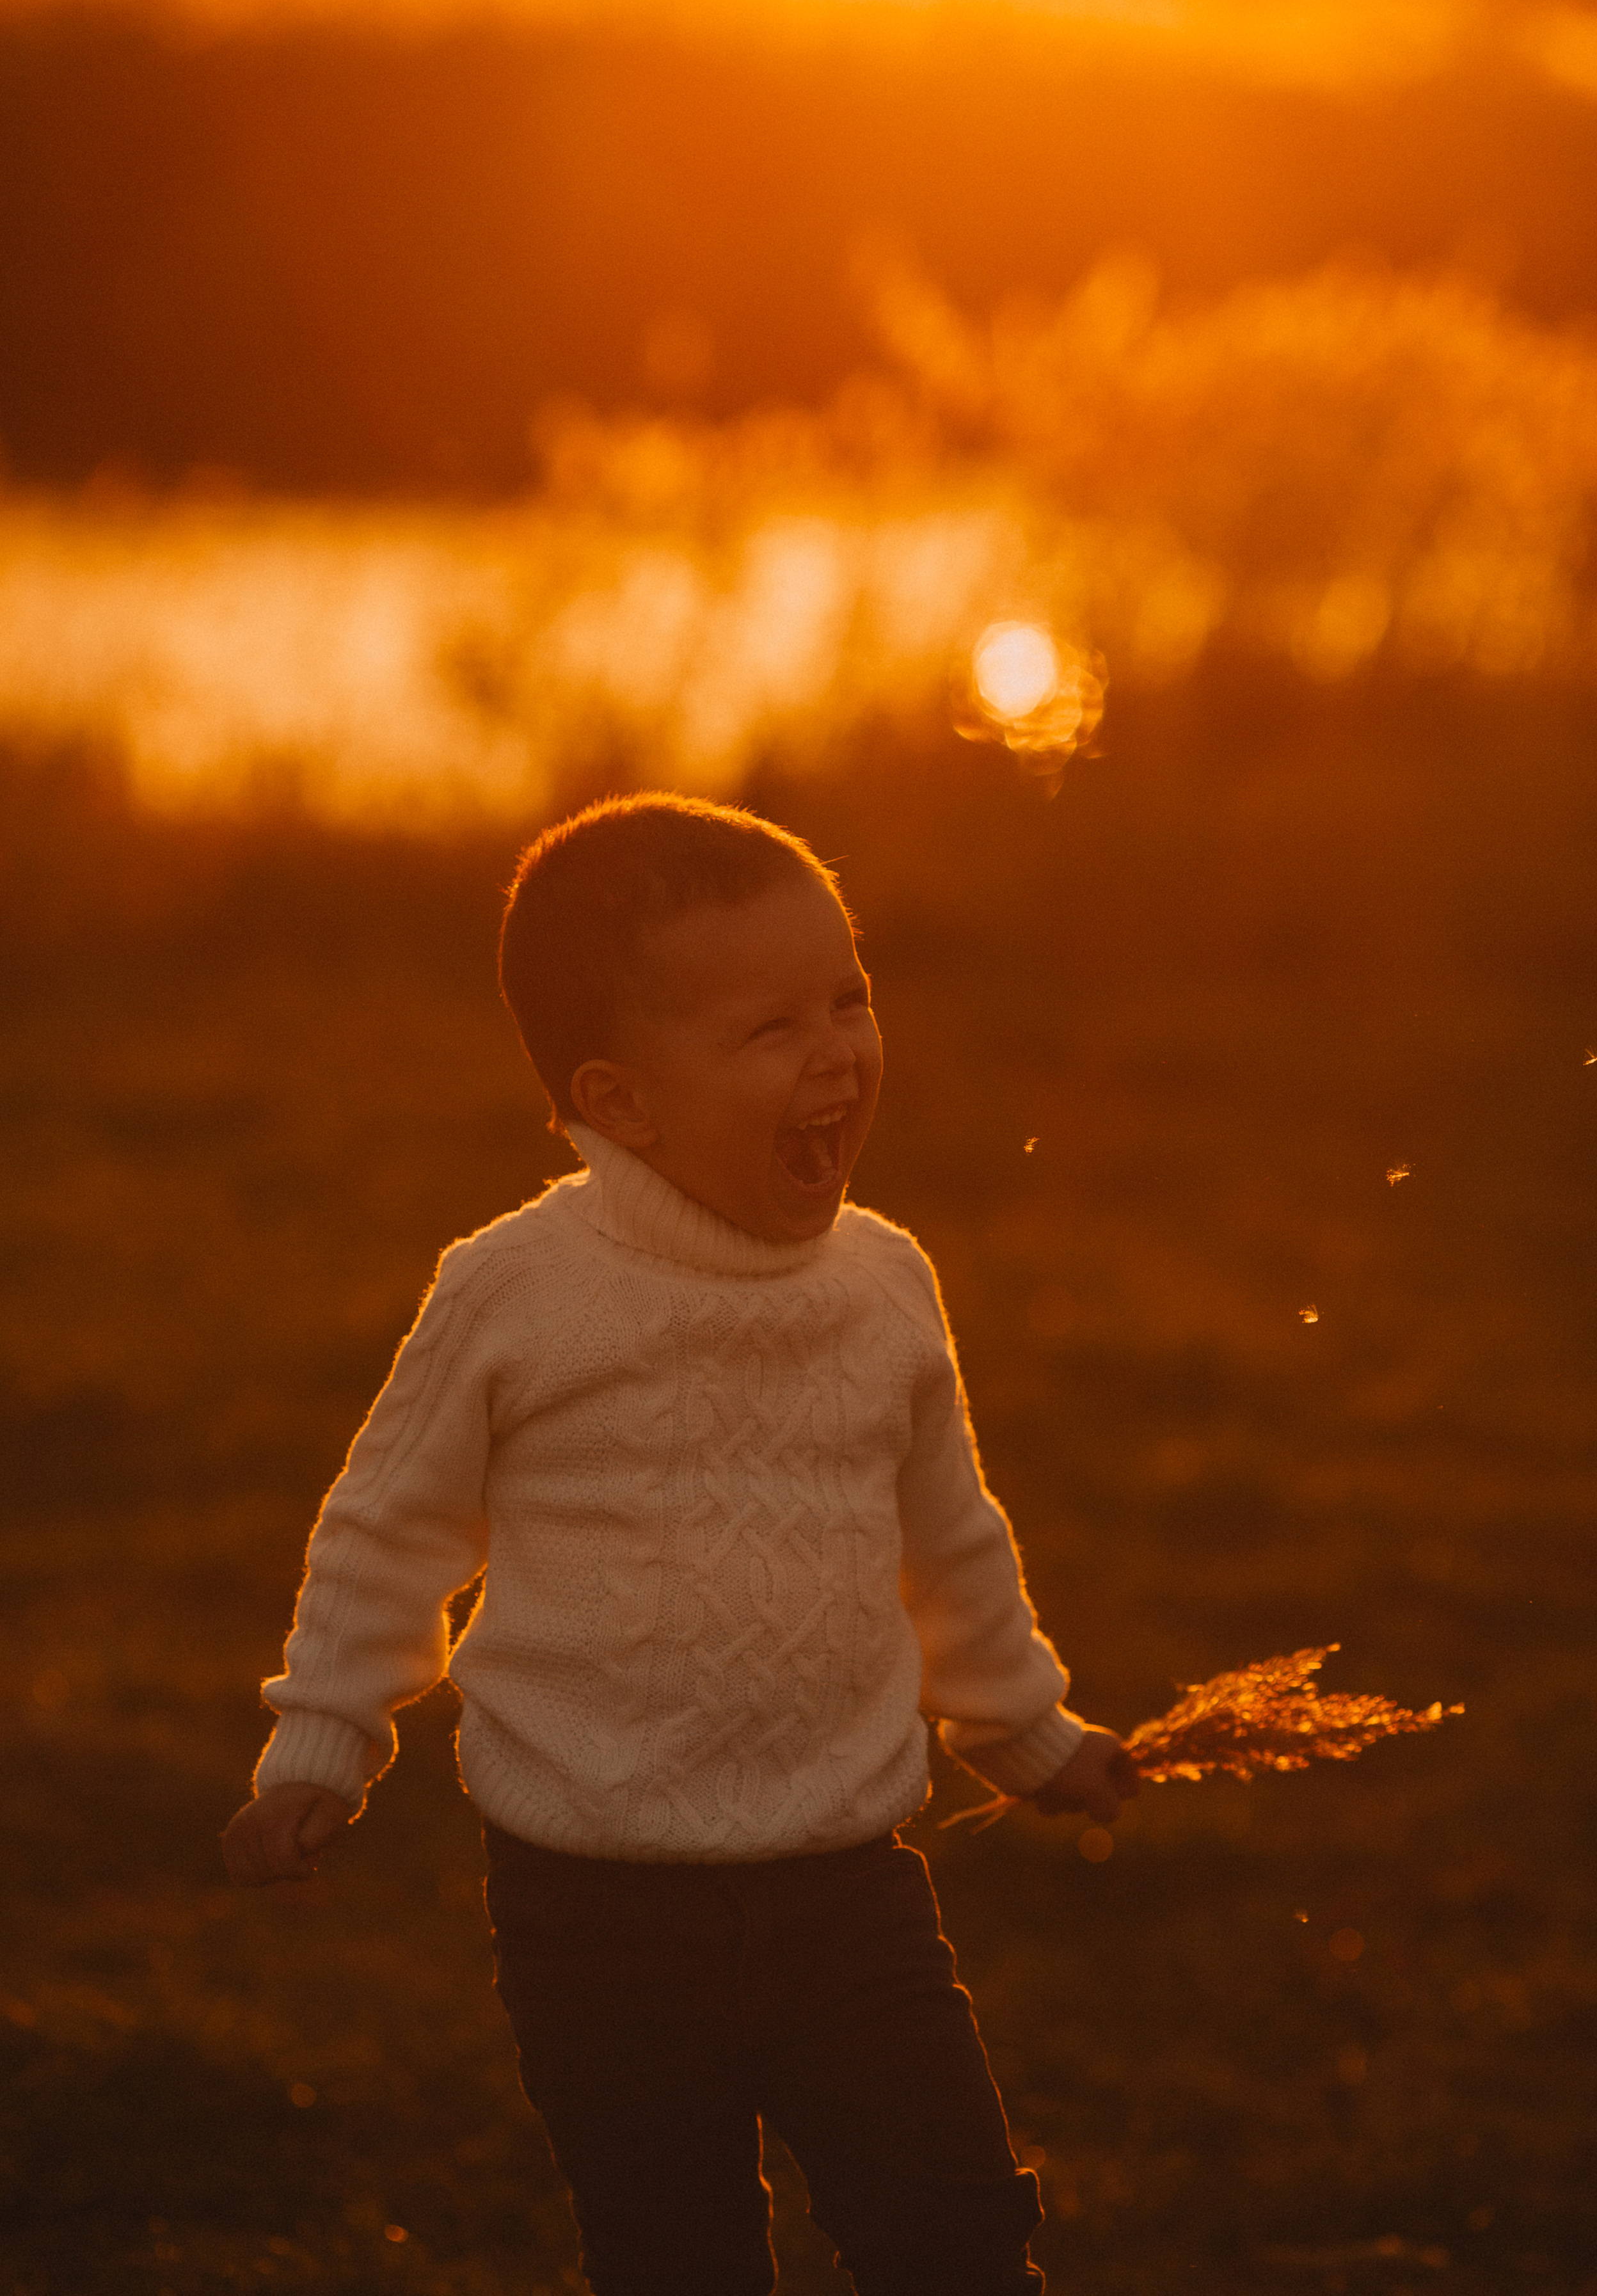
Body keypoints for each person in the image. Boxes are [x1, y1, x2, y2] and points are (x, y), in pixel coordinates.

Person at [220, 792, 1138, 2296]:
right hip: (594, 1905)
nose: (838, 1050)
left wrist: (1026, 1733)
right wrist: (323, 1740)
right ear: (621, 1101)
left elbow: (948, 1540)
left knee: (955, 2233)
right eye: (772, 1028)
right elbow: (389, 1530)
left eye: (848, 995)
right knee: (674, 2255)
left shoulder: (883, 1285)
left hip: (846, 1882)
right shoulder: (517, 1295)